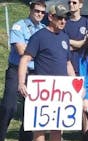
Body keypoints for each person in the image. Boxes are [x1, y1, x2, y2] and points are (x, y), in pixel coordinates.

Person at [18, 4, 75, 141]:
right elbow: (25, 59)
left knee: (57, 129)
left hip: (60, 91)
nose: (63, 21)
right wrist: (21, 83)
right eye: (59, 18)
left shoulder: (65, 38)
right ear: (50, 17)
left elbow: (68, 63)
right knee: (39, 129)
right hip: (42, 90)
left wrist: (75, 84)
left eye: (65, 18)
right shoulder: (39, 37)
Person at [0, 1, 46, 141]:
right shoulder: (19, 26)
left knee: (30, 111)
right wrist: (40, 50)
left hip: (34, 73)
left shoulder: (44, 29)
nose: (39, 14)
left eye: (42, 12)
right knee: (9, 107)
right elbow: (21, 50)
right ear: (30, 10)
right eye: (37, 11)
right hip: (16, 70)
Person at [64, 0, 88, 75]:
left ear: (80, 5)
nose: (71, 4)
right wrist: (80, 44)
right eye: (69, 2)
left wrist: (69, 42)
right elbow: (62, 45)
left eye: (74, 2)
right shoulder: (63, 23)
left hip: (85, 66)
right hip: (68, 66)